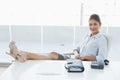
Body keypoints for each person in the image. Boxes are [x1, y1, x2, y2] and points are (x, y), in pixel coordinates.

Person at [6, 14, 107, 62]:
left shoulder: (101, 39)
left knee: (52, 55)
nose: (92, 27)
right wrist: (77, 54)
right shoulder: (87, 36)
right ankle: (22, 54)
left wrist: (83, 57)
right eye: (90, 24)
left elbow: (101, 58)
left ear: (100, 24)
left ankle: (22, 54)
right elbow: (76, 49)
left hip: (83, 63)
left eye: (95, 24)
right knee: (53, 54)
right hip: (76, 60)